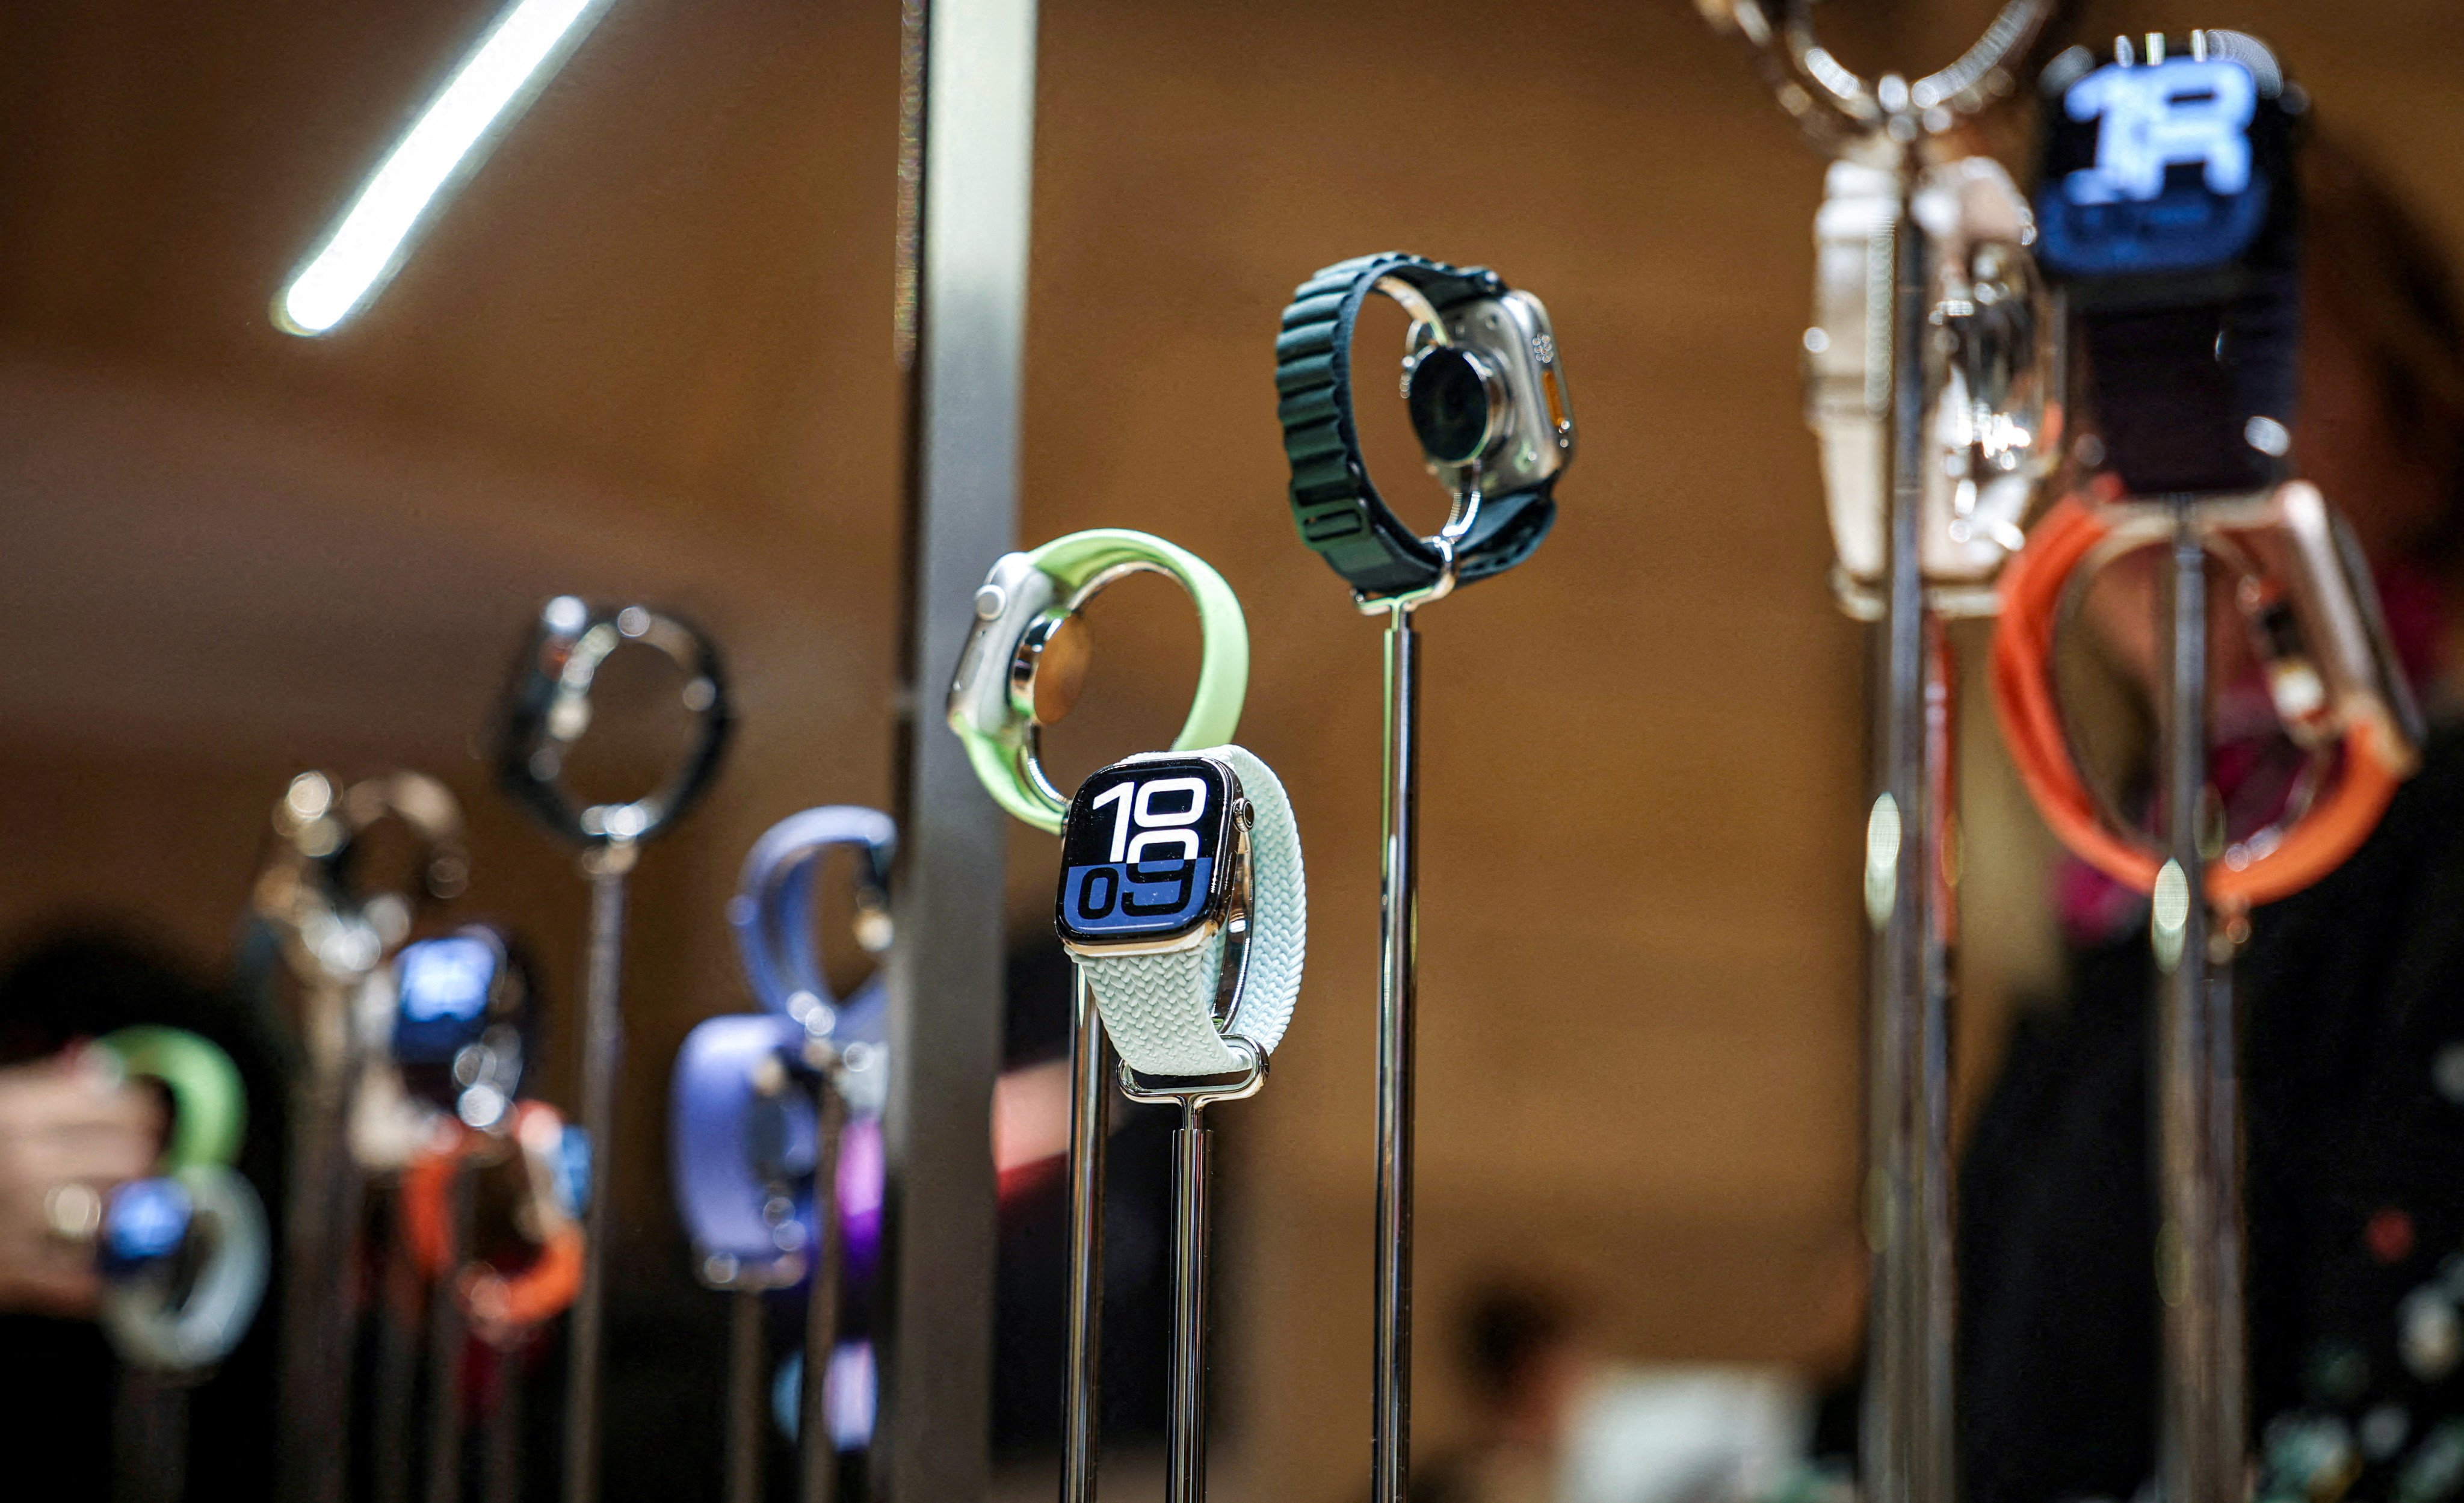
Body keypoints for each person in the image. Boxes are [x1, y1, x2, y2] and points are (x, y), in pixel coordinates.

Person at [1956, 137, 2464, 1503]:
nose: (2153, 438)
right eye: (2100, 379)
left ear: (2421, 433)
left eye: (2241, 358)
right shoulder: (2095, 906)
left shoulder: (2433, 864)